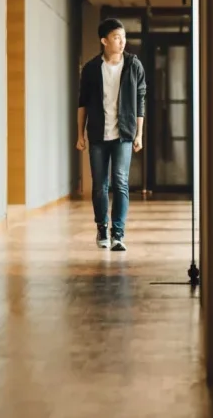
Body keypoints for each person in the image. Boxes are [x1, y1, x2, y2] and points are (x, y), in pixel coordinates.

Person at [76, 18, 147, 251]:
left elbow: (140, 101)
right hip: (97, 134)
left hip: (124, 134)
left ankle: (118, 233)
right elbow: (82, 104)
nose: (122, 41)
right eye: (117, 37)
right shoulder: (91, 69)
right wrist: (80, 135)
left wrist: (139, 134)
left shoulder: (134, 66)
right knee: (100, 185)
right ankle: (101, 228)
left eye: (123, 37)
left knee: (121, 182)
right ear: (104, 40)